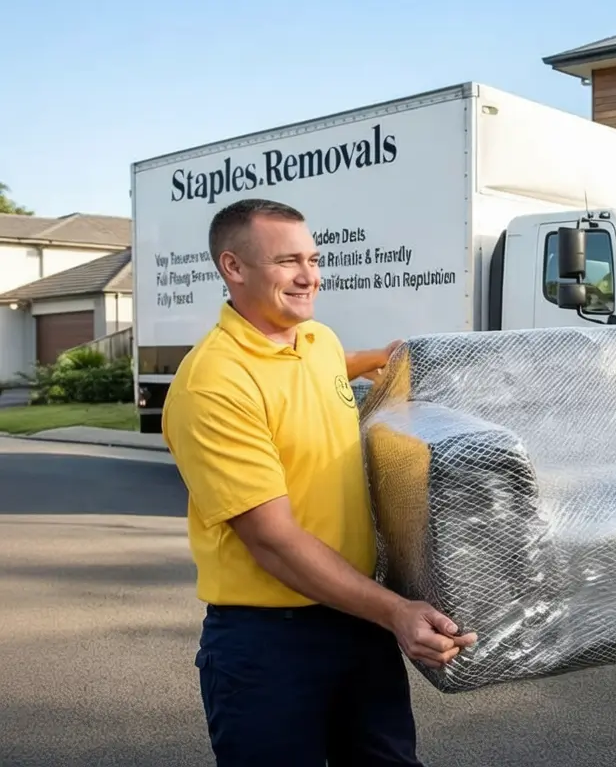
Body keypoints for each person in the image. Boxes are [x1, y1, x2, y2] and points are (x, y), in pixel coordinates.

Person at [162, 197, 477, 766]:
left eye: (312, 257)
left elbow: (340, 362)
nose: (309, 276)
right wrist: (395, 611)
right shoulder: (213, 383)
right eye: (287, 261)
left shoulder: (317, 340)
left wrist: (388, 357)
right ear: (233, 268)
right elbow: (273, 542)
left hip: (357, 621)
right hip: (270, 645)